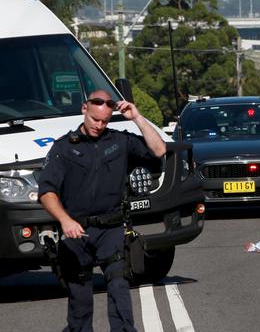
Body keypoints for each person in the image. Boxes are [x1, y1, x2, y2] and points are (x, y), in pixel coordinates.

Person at [38, 89, 167, 332]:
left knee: (119, 285)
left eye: (105, 121)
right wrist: (64, 220)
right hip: (76, 231)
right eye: (95, 119)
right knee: (80, 302)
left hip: (111, 228)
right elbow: (47, 192)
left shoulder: (119, 141)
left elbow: (159, 150)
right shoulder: (63, 148)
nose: (99, 125)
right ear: (84, 109)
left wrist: (137, 118)